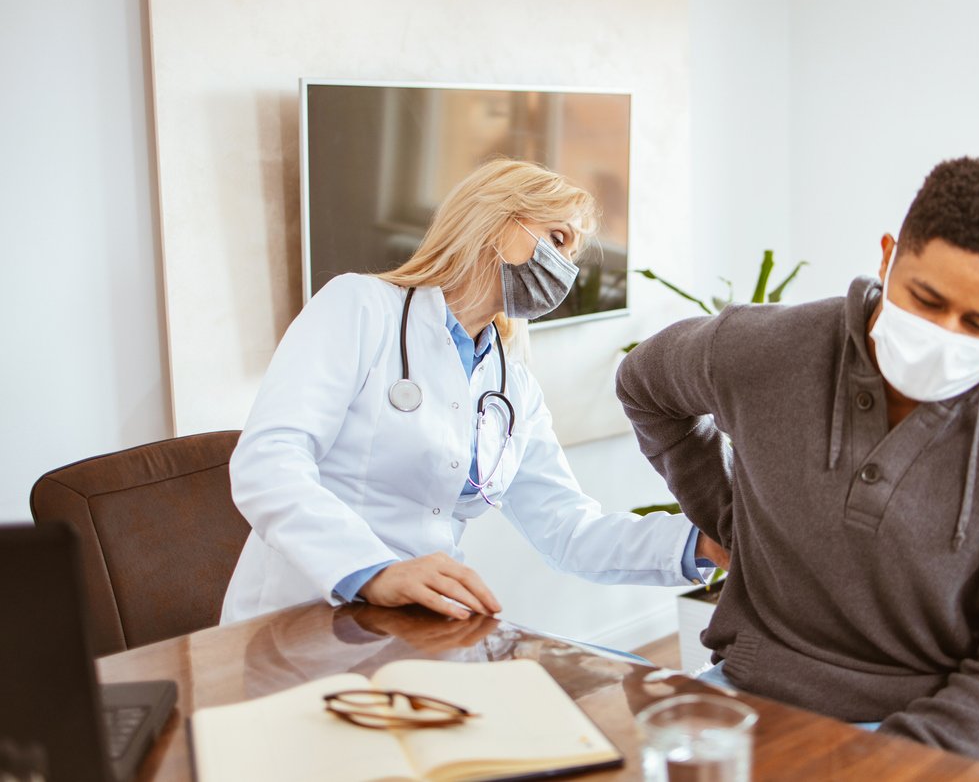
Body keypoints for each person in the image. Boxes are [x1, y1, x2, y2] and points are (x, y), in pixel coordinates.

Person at [615, 157, 979, 778]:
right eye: (926, 300)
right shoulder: (761, 350)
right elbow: (644, 386)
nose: (944, 335)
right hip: (758, 696)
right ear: (888, 256)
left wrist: (871, 764)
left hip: (956, 727)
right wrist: (731, 518)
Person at [221, 158, 726, 625]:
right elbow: (269, 461)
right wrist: (373, 570)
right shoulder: (360, 307)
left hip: (419, 620)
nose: (566, 268)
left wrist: (702, 541)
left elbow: (569, 530)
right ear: (496, 221)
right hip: (303, 609)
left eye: (572, 252)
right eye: (556, 237)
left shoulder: (512, 383)